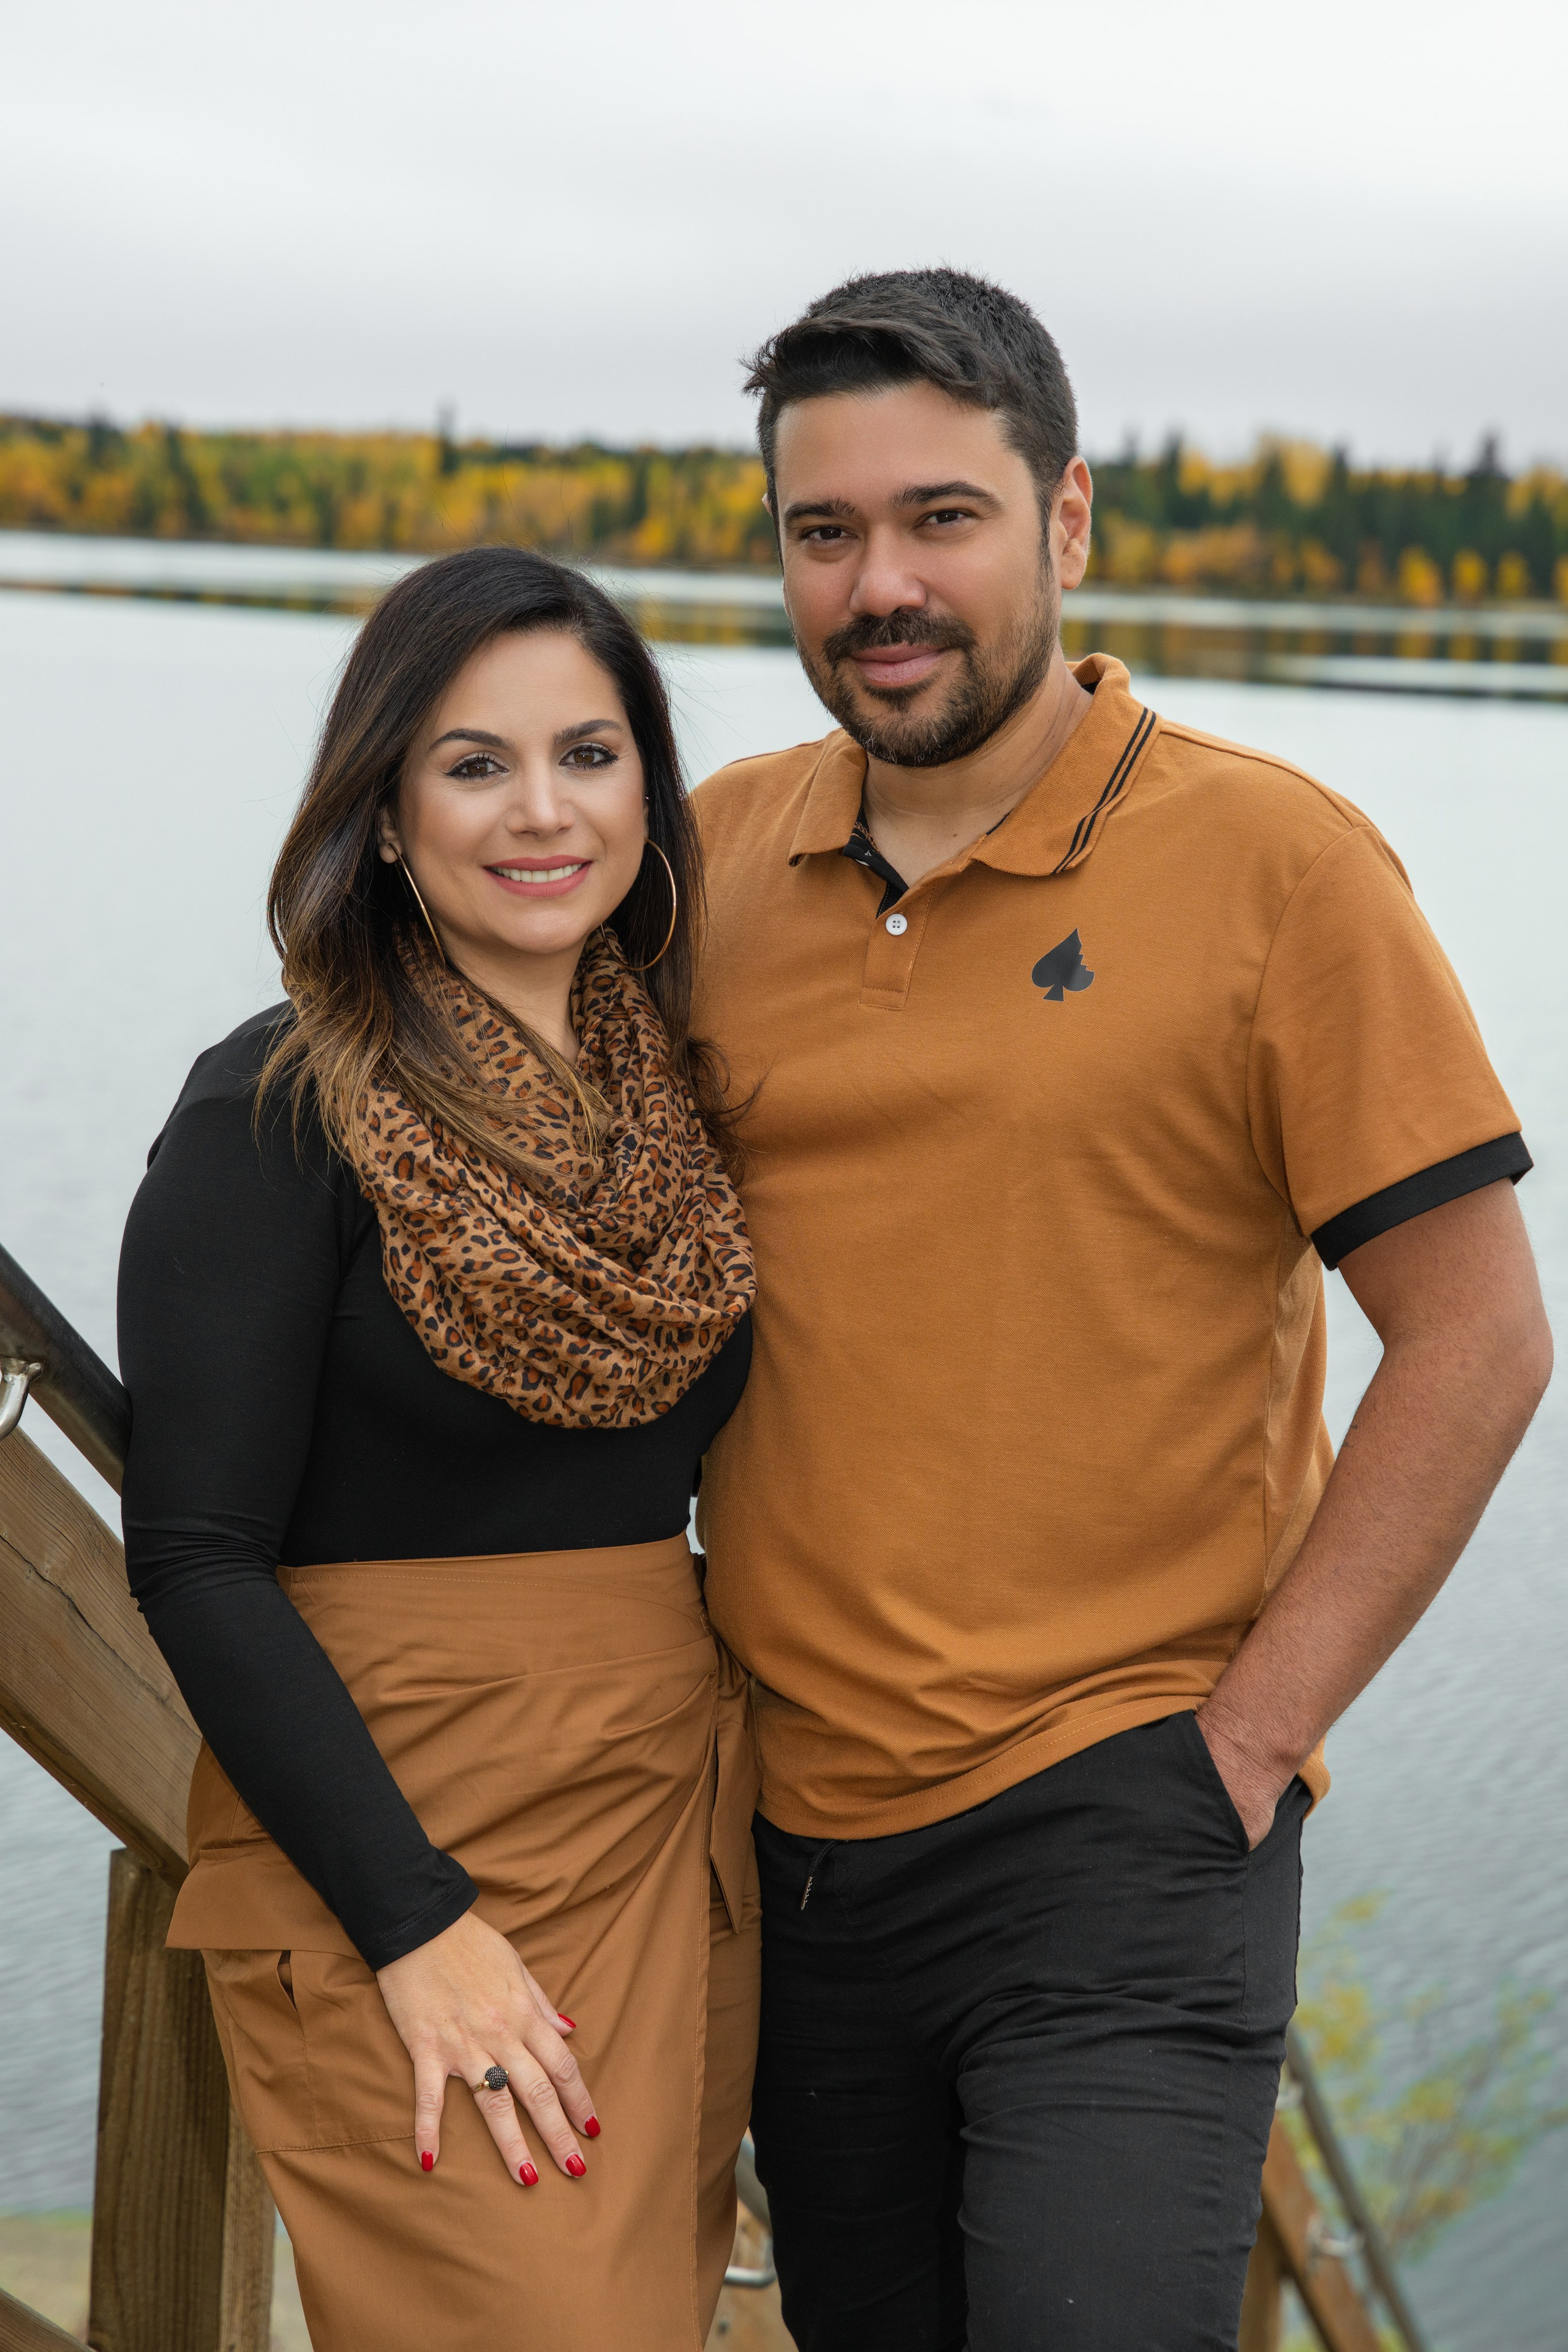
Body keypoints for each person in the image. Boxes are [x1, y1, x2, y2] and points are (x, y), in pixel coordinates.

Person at [688, 269, 1553, 2352]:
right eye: (827, 533)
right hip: (785, 1835)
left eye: (941, 520)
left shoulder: (1274, 867)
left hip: (1123, 1824)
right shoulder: (702, 863)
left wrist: (1250, 1740)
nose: (881, 584)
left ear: (1066, 522)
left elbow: (1479, 1333)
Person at [117, 547, 760, 2351]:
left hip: (665, 1829)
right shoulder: (280, 1108)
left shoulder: (675, 1108)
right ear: (385, 815)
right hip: (398, 1838)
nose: (542, 810)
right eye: (474, 765)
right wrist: (417, 1925)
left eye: (592, 753)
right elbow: (196, 1557)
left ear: (651, 786)